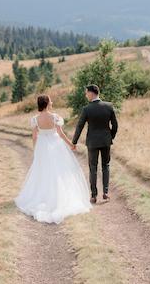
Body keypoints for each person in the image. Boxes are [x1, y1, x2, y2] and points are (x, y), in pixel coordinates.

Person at [14, 94, 92, 224]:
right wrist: (71, 144)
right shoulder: (55, 117)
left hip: (42, 146)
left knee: (43, 171)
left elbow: (34, 136)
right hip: (56, 145)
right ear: (47, 103)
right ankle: (58, 198)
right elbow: (60, 134)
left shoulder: (35, 119)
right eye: (50, 100)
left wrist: (36, 149)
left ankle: (43, 196)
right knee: (59, 171)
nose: (52, 101)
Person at [71, 84, 118, 204]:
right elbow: (115, 125)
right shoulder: (108, 106)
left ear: (92, 93)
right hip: (106, 141)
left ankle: (93, 195)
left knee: (93, 168)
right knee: (105, 166)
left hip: (92, 142)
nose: (86, 95)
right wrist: (110, 136)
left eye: (87, 93)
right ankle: (106, 193)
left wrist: (74, 142)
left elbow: (80, 126)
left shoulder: (87, 109)